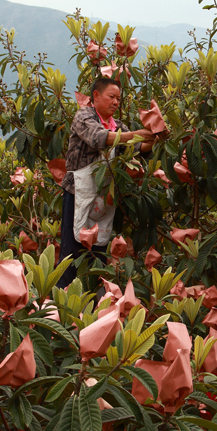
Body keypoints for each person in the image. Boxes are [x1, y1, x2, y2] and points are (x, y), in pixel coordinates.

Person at [57, 77, 155, 288]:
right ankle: (61, 301)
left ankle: (91, 301)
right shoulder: (84, 116)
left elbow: (136, 148)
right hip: (77, 193)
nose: (116, 102)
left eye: (118, 98)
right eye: (111, 97)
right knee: (71, 253)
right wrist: (136, 135)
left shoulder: (119, 126)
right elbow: (98, 137)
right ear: (96, 95)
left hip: (104, 198)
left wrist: (153, 138)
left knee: (98, 253)